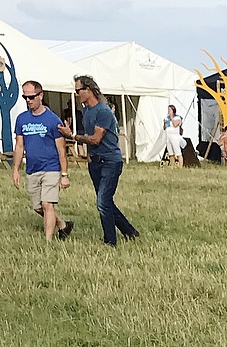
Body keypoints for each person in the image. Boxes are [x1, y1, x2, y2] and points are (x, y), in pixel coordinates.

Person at [59, 75, 139, 246]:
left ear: (88, 90)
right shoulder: (87, 111)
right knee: (106, 202)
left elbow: (95, 139)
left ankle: (110, 241)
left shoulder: (103, 111)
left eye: (78, 91)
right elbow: (90, 139)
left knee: (102, 202)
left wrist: (72, 135)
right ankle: (130, 232)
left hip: (110, 162)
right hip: (95, 163)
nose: (76, 94)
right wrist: (89, 157)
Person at [13, 80, 73, 242]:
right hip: (32, 169)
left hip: (51, 168)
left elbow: (61, 150)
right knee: (38, 207)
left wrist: (64, 174)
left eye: (31, 97)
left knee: (47, 204)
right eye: (25, 97)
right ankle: (63, 225)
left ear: (40, 95)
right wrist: (16, 169)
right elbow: (19, 146)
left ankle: (48, 242)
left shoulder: (53, 120)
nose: (28, 100)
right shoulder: (22, 119)